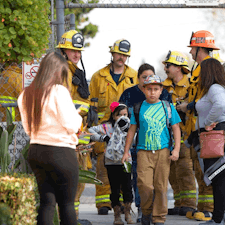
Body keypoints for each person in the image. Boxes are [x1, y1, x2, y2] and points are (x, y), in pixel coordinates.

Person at [18, 52, 82, 225]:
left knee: (47, 203)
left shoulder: (25, 95)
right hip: (61, 152)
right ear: (58, 72)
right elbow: (72, 125)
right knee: (67, 204)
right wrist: (79, 116)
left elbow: (27, 128)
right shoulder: (58, 91)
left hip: (36, 151)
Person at [122, 74, 181, 225]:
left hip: (163, 152)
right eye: (149, 89)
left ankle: (159, 218)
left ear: (161, 90)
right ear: (144, 90)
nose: (152, 92)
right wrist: (126, 151)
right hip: (143, 152)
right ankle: (146, 212)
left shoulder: (167, 107)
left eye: (156, 89)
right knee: (145, 185)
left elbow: (176, 128)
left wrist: (176, 150)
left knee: (161, 187)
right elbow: (132, 130)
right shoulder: (139, 107)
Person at [89, 39, 138, 215]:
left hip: (126, 132)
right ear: (112, 53)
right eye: (119, 54)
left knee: (125, 172)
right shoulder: (98, 77)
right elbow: (91, 106)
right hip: (106, 128)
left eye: (125, 55)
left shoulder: (134, 76)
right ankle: (104, 203)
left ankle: (125, 205)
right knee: (103, 168)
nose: (122, 58)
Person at [177, 30, 220, 222]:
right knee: (199, 169)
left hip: (205, 128)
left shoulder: (208, 69)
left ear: (198, 48)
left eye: (193, 48)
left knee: (206, 170)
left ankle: (209, 209)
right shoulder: (198, 69)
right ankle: (203, 208)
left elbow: (209, 100)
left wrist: (190, 106)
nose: (191, 51)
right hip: (195, 128)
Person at [194, 58, 225, 225]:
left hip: (216, 136)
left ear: (208, 72)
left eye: (201, 72)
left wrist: (206, 124)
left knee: (217, 178)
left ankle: (217, 219)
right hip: (220, 136)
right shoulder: (221, 88)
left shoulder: (215, 88)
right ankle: (218, 218)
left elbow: (220, 105)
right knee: (218, 178)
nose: (199, 75)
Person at [56, 30, 94, 222]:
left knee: (79, 179)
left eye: (78, 51)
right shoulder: (61, 72)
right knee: (67, 180)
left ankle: (72, 218)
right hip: (66, 135)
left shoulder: (75, 72)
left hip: (78, 135)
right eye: (72, 51)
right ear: (63, 51)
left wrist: (89, 108)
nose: (77, 55)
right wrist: (85, 108)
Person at [161, 51, 197, 216]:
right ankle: (179, 203)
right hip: (168, 136)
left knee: (185, 170)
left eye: (168, 65)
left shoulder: (190, 85)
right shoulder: (163, 87)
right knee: (173, 173)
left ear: (178, 68)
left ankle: (189, 204)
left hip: (185, 134)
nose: (166, 68)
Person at [88, 102, 135, 225]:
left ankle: (128, 213)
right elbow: (91, 131)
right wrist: (102, 138)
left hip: (126, 161)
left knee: (127, 187)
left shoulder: (130, 126)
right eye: (119, 115)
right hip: (111, 162)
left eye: (125, 114)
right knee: (114, 188)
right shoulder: (107, 127)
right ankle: (117, 215)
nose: (123, 117)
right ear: (113, 115)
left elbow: (134, 139)